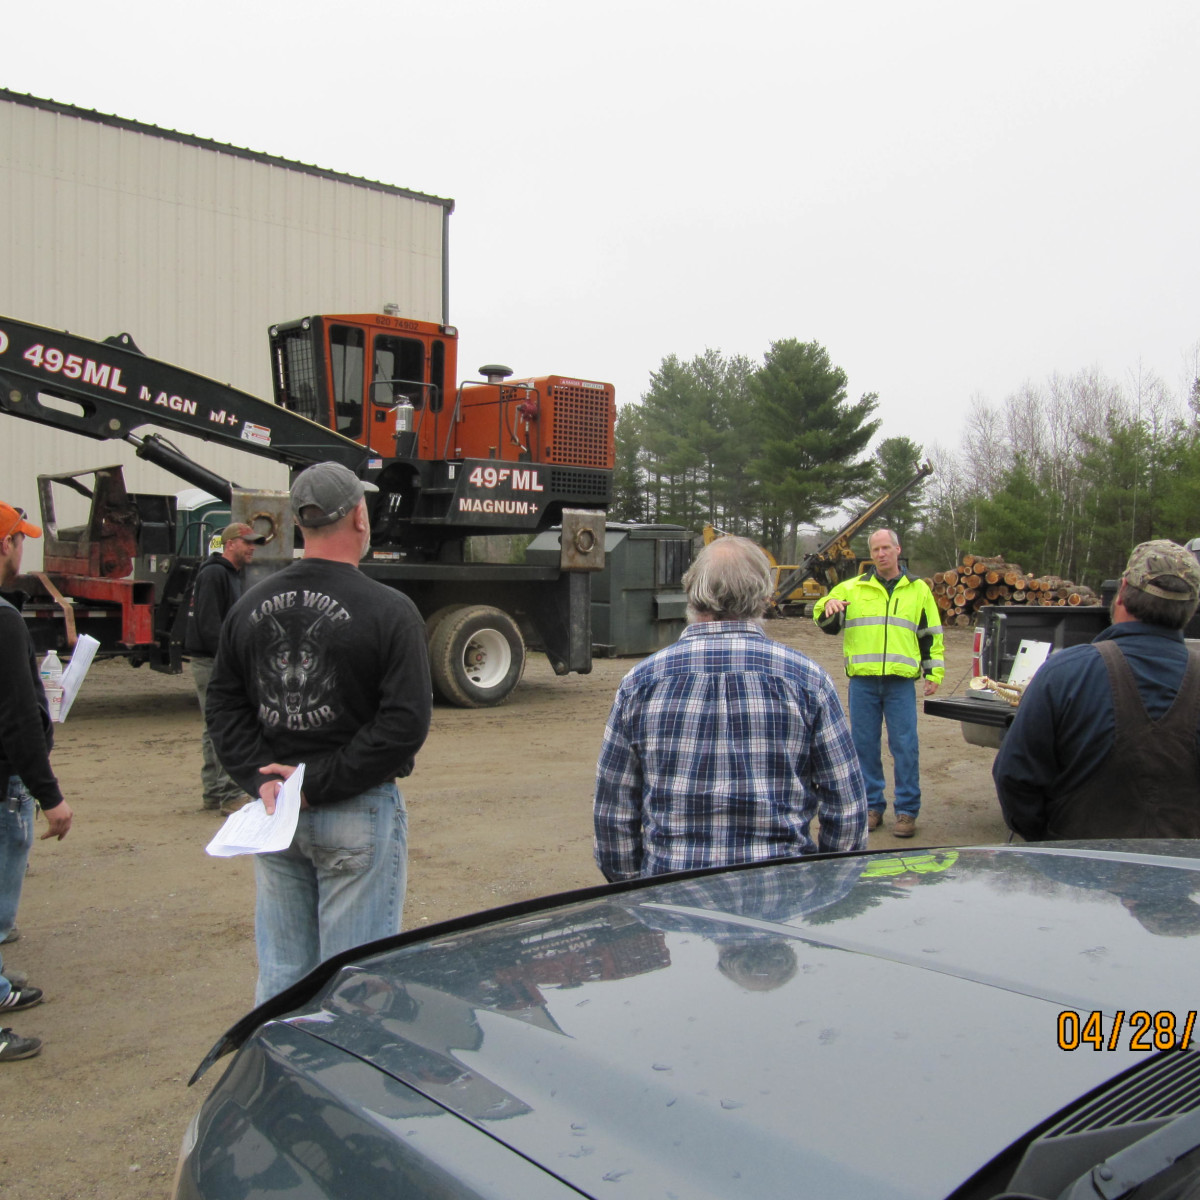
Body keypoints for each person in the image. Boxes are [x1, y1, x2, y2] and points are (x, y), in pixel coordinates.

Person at [206, 463, 432, 1003]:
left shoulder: (248, 606)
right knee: (354, 982)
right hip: (353, 810)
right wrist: (317, 782)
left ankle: (280, 1078)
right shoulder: (391, 611)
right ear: (360, 516)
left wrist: (259, 777)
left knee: (283, 975)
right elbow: (404, 724)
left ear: (300, 524)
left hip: (276, 813)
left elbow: (223, 702)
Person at [593, 536, 867, 882]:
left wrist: (638, 893)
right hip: (783, 902)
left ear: (691, 591)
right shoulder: (808, 681)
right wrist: (821, 891)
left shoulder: (640, 683)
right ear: (764, 596)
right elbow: (847, 811)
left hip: (672, 907)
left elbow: (612, 815)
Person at [994, 539, 1200, 841]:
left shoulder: (1064, 674)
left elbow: (1014, 777)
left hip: (1077, 876)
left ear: (1122, 593)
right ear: (1191, 610)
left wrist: (1049, 842)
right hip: (1183, 878)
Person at [0, 502, 75, 1062]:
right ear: (5, 546)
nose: (21, 548)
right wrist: (50, 796)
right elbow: (19, 716)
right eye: (18, 540)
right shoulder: (3, 620)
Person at [813, 528, 944, 838]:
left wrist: (933, 672)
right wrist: (828, 609)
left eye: (886, 548)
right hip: (863, 683)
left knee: (905, 747)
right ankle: (872, 807)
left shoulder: (918, 590)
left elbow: (931, 633)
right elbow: (824, 617)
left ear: (898, 550)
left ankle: (907, 811)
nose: (881, 554)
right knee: (863, 747)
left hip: (900, 684)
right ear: (870, 555)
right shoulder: (851, 588)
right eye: (875, 550)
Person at [185, 522, 266, 814]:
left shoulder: (228, 574)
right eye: (247, 542)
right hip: (212, 661)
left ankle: (214, 792)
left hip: (212, 659)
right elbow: (209, 625)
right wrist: (229, 661)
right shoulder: (215, 573)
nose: (252, 547)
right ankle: (230, 795)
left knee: (213, 725)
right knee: (226, 724)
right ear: (230, 543)